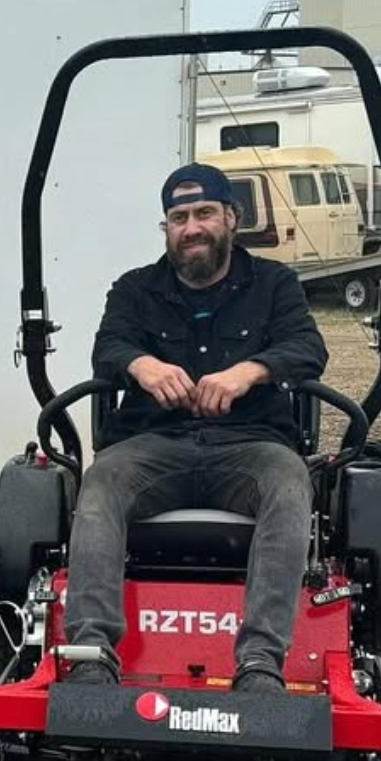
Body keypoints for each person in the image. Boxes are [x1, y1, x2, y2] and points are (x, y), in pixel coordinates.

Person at [63, 162, 329, 693]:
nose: (192, 227)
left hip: (248, 447)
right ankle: (91, 655)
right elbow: (108, 348)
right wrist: (143, 366)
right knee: (101, 481)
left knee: (289, 480)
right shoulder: (135, 289)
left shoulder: (275, 284)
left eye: (205, 213)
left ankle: (260, 661)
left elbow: (307, 349)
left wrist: (247, 372)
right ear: (167, 228)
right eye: (179, 217)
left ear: (232, 218)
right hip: (153, 447)